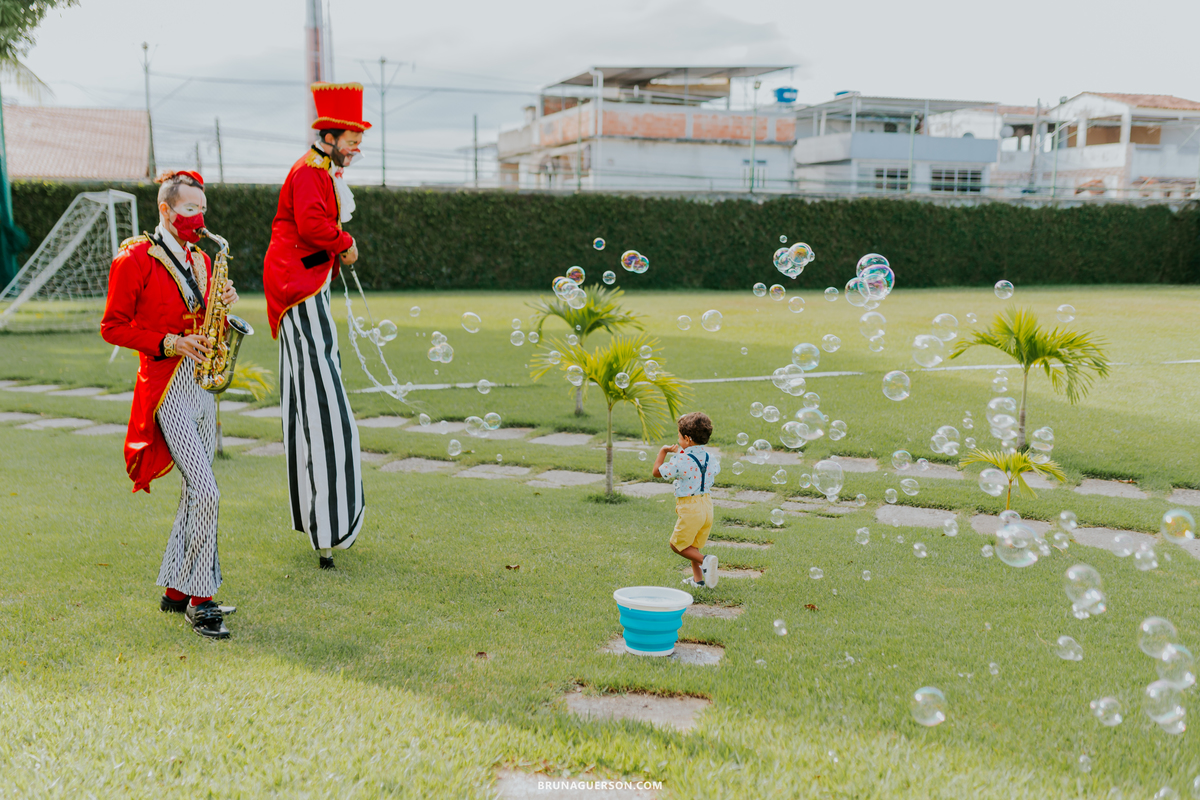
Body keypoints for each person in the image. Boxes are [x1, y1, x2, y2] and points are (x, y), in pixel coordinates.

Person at [100, 169, 239, 640]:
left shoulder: (201, 258)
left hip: (200, 385)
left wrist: (225, 303)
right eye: (188, 210)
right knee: (206, 490)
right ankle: (202, 601)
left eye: (202, 209)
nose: (198, 219)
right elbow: (112, 327)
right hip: (165, 388)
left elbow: (207, 319)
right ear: (164, 208)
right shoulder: (134, 259)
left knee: (196, 490)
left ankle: (175, 592)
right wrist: (170, 342)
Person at [263, 82, 370, 570]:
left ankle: (324, 521)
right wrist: (345, 241)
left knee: (312, 397)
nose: (357, 144)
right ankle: (330, 523)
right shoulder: (310, 171)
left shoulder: (321, 169)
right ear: (330, 136)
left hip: (302, 287)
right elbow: (311, 227)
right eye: (352, 136)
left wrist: (338, 244)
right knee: (325, 402)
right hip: (298, 290)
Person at [652, 412, 721, 589]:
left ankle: (706, 560)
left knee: (677, 545)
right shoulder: (710, 457)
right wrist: (682, 453)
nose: (679, 440)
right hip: (706, 506)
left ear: (687, 439)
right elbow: (699, 467)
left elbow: (657, 472)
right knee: (692, 545)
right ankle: (698, 581)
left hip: (690, 508)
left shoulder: (680, 459)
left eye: (679, 437)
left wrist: (663, 451)